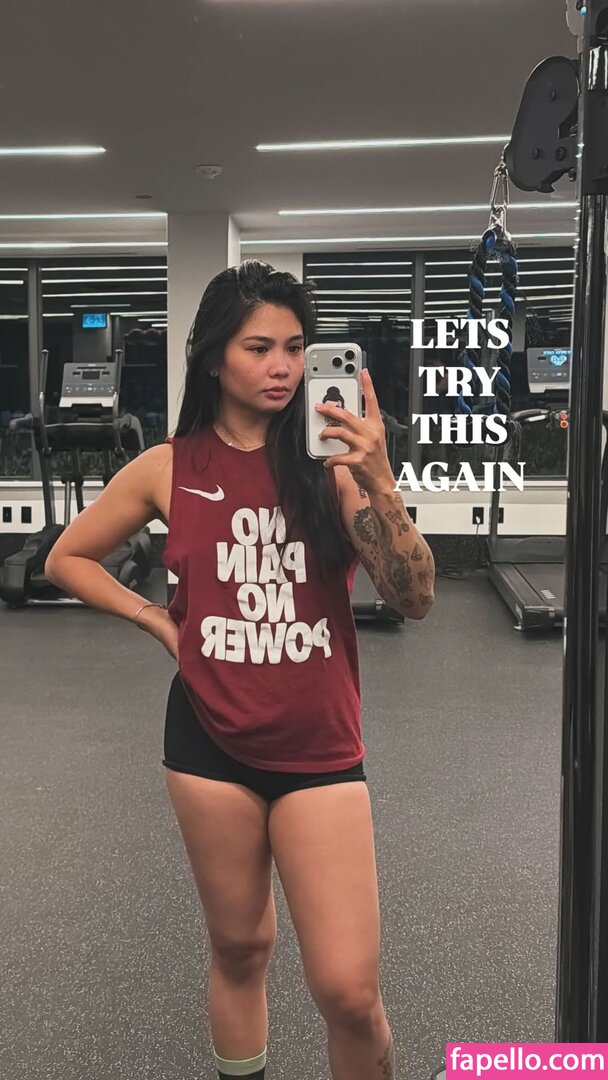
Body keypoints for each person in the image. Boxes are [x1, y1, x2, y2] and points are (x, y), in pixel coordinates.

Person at [44, 260, 436, 1080]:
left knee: (348, 990)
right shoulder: (168, 465)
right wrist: (156, 620)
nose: (282, 366)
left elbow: (415, 597)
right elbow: (66, 557)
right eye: (259, 348)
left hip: (319, 748)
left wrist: (378, 479)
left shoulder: (333, 466)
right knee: (240, 947)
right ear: (214, 356)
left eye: (295, 347)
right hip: (207, 743)